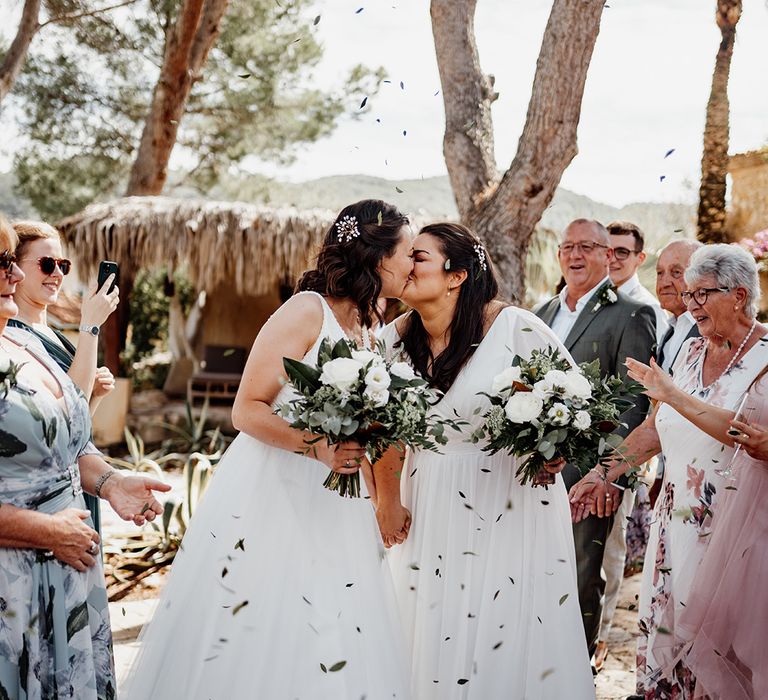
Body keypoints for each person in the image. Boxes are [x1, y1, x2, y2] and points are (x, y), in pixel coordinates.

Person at [123, 200, 415, 699]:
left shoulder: (370, 324)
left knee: (333, 617)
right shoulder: (306, 311)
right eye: (409, 252)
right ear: (377, 255)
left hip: (338, 501)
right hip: (276, 491)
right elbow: (247, 409)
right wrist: (317, 448)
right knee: (266, 612)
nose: (413, 264)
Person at [376, 223, 595, 699]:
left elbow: (577, 405)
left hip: (507, 501)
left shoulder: (515, 327)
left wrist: (552, 451)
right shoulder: (391, 340)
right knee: (436, 617)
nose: (404, 266)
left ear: (456, 276)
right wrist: (387, 500)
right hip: (428, 498)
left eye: (419, 257)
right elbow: (384, 428)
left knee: (503, 618)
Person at [569, 243, 767, 698]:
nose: (689, 302)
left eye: (702, 294)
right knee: (670, 636)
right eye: (688, 293)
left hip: (733, 531)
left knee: (724, 645)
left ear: (738, 296)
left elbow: (747, 434)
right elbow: (653, 428)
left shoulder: (766, 356)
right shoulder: (690, 352)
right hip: (673, 525)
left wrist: (671, 393)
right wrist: (603, 473)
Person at [0, 216, 169, 698]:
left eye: (62, 264)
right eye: (6, 264)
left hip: (66, 557)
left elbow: (64, 440)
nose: (16, 276)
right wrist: (48, 530)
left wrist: (112, 483)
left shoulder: (22, 344)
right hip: (17, 575)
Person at [534, 218, 657, 665]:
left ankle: (575, 671)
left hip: (589, 475)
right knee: (533, 569)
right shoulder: (540, 312)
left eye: (587, 246)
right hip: (534, 471)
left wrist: (608, 475)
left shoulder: (631, 313)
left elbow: (633, 401)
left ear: (609, 255)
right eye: (568, 246)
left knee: (582, 575)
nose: (575, 255)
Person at [10, 220, 120, 537]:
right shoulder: (14, 339)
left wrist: (95, 395)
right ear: (14, 268)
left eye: (62, 264)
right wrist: (90, 325)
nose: (57, 274)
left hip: (78, 476)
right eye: (47, 264)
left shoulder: (56, 336)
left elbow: (75, 427)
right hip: (48, 495)